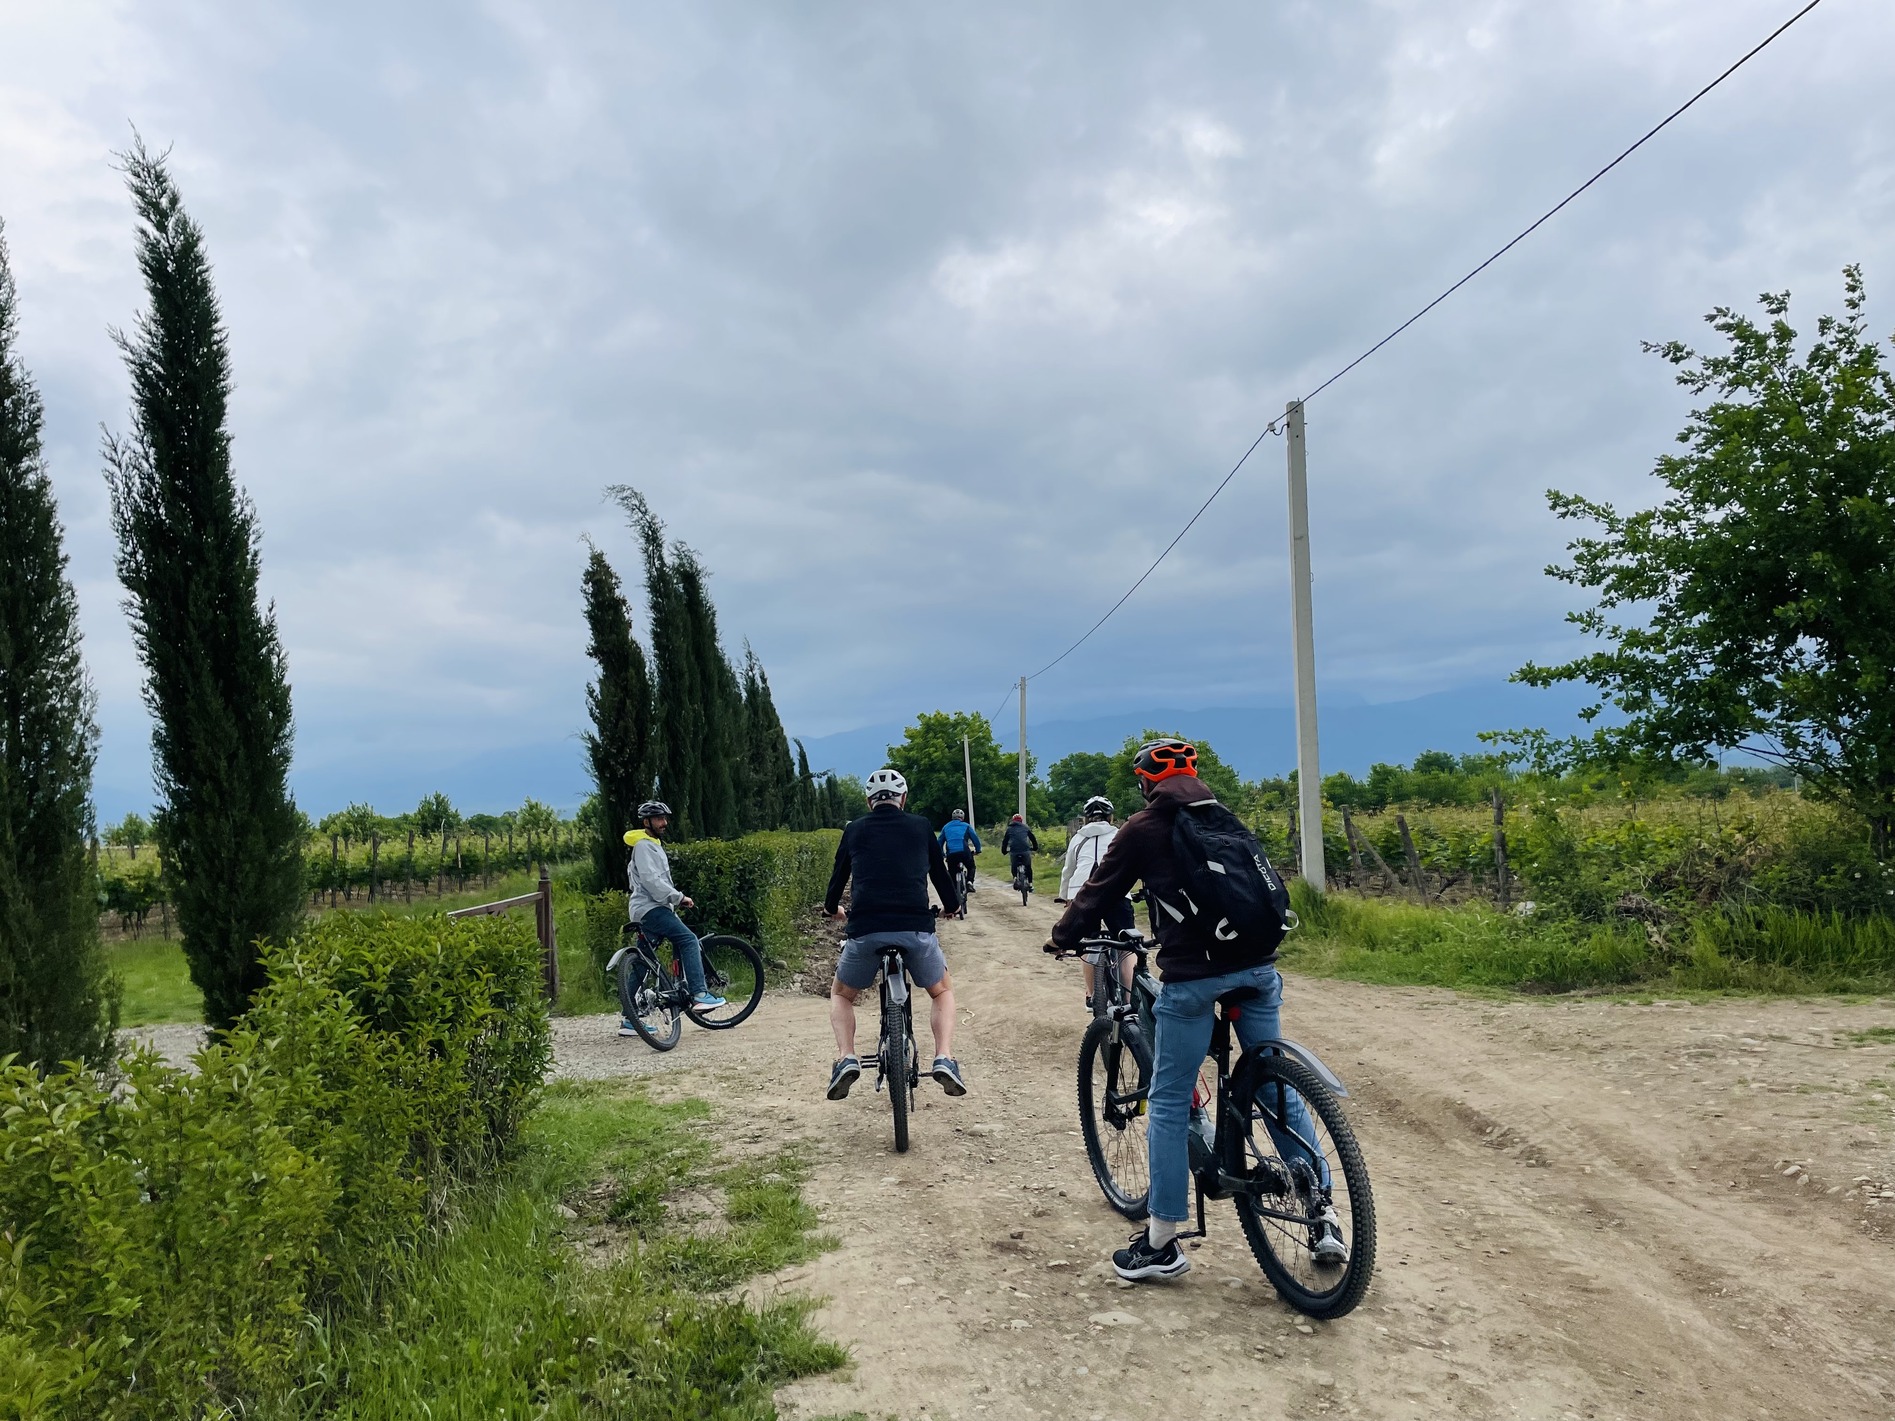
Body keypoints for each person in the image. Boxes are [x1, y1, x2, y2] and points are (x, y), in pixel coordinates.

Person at [1050, 740, 1343, 1282]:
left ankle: (1161, 1242)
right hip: (1259, 969)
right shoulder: (1224, 817)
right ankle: (1323, 1213)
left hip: (1194, 980)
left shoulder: (1140, 828)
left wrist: (1063, 936)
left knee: (1164, 1100)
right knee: (1274, 1090)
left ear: (1146, 783)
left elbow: (1096, 893)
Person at [821, 767, 968, 1100]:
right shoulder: (921, 826)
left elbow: (837, 878)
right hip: (915, 927)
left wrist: (832, 907)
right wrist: (952, 905)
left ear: (869, 800)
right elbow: (941, 877)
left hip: (866, 929)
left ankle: (846, 1057)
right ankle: (944, 1056)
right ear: (903, 798)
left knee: (842, 994)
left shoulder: (854, 830)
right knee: (941, 990)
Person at [621, 800, 725, 1034]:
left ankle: (629, 1019)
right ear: (646, 822)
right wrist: (678, 897)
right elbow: (652, 881)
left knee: (643, 962)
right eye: (658, 818)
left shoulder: (651, 845)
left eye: (665, 818)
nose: (664, 822)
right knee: (688, 939)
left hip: (647, 909)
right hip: (651, 908)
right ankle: (699, 994)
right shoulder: (644, 847)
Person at [1054, 795, 1135, 1004]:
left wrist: (1065, 895)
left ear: (1087, 818)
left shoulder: (1078, 838)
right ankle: (1130, 997)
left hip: (1082, 895)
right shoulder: (1120, 834)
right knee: (1127, 945)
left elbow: (1068, 870)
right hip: (1116, 894)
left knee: (1089, 943)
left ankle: (1092, 995)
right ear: (1111, 816)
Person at [939, 807, 982, 893]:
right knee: (971, 866)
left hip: (951, 854)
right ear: (962, 818)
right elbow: (975, 839)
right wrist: (978, 850)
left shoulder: (946, 827)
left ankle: (954, 891)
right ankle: (969, 882)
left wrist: (942, 853)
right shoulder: (966, 826)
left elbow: (939, 842)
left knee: (952, 872)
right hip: (964, 852)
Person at [1000, 813, 1039, 890]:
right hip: (1025, 850)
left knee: (1014, 865)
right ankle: (1030, 884)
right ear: (1021, 821)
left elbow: (1005, 841)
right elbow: (1033, 838)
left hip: (1014, 850)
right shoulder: (1025, 827)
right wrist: (1035, 847)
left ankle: (1015, 878)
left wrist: (1004, 851)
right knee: (1028, 867)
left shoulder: (1009, 829)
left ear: (1013, 821)